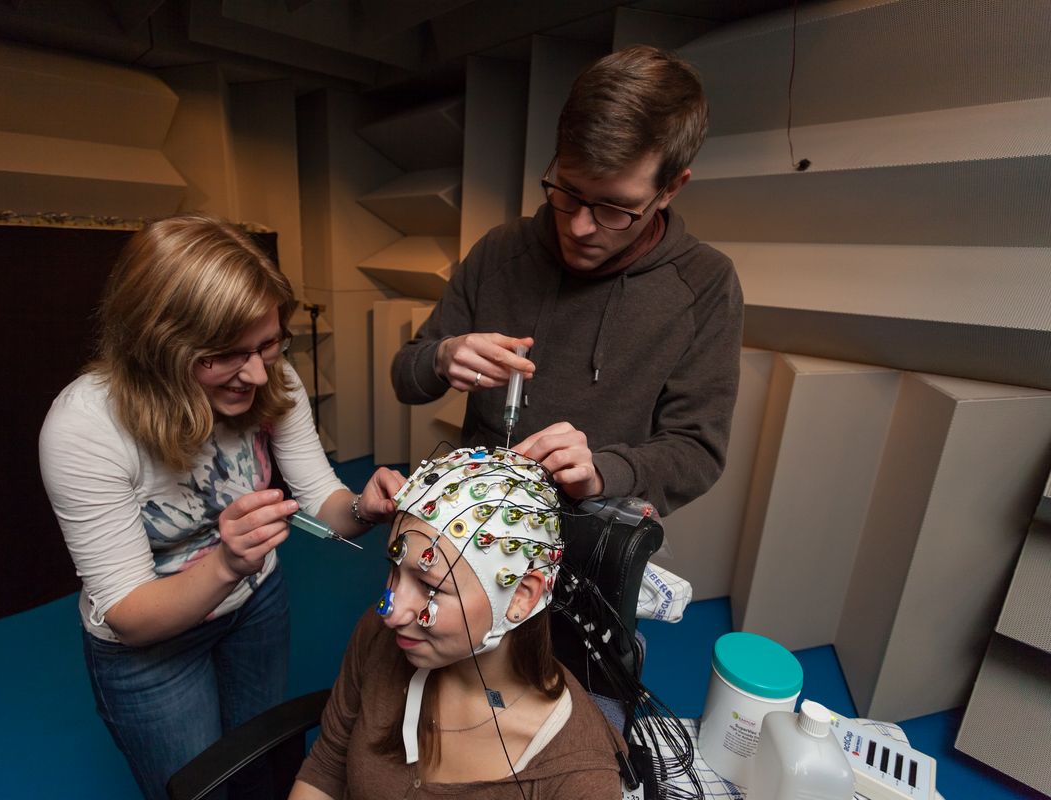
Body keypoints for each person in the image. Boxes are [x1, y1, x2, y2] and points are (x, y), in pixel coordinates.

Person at [39, 214, 403, 799]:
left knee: (265, 769)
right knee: (198, 789)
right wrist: (228, 564)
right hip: (152, 650)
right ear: (158, 347)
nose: (259, 372)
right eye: (227, 355)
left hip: (255, 609)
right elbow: (130, 615)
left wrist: (364, 507)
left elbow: (324, 501)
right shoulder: (84, 428)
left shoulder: (266, 377)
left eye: (268, 344)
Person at [391, 45, 743, 515]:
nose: (578, 226)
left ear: (671, 189)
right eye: (569, 192)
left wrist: (602, 472)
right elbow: (406, 377)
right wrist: (440, 357)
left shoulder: (705, 284)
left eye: (614, 207)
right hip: (480, 515)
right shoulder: (501, 249)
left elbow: (697, 452)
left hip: (597, 532)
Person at [290, 447, 629, 799]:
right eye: (394, 568)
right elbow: (326, 768)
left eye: (430, 586)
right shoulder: (382, 637)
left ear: (521, 597)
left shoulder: (579, 777)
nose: (391, 612)